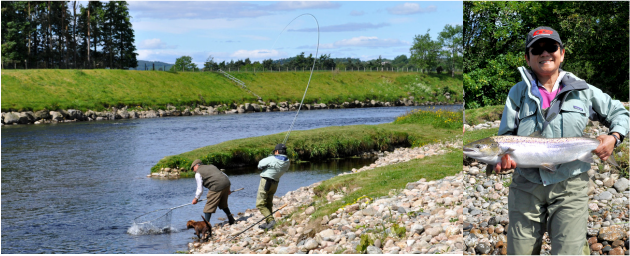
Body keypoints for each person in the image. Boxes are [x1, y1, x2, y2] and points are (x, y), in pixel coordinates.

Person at [495, 26, 630, 255]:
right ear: (527, 58)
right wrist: (502, 160)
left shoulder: (583, 90)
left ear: (562, 53)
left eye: (551, 47)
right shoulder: (517, 93)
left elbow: (620, 113)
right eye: (536, 49)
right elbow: (506, 137)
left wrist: (614, 137)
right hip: (526, 187)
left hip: (571, 184)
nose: (544, 53)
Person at [190, 159, 236, 226]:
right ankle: (231, 219)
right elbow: (224, 175)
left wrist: (196, 198)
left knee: (208, 207)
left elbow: (200, 189)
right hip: (226, 183)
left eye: (193, 168)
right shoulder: (212, 166)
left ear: (196, 165)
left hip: (216, 186)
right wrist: (228, 189)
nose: (193, 170)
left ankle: (206, 226)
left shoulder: (198, 173)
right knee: (223, 203)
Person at [256, 144, 290, 230]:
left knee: (260, 204)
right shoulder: (287, 161)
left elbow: (260, 164)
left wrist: (270, 159)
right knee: (268, 202)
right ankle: (268, 223)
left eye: (275, 152)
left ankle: (271, 221)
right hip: (275, 183)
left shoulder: (272, 159)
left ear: (277, 151)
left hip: (266, 182)